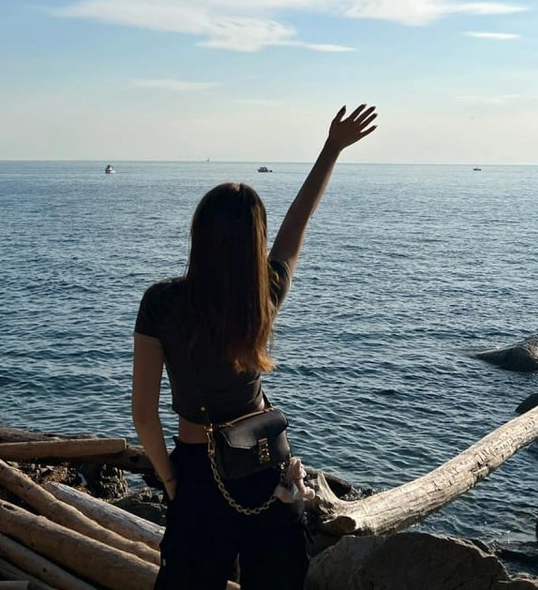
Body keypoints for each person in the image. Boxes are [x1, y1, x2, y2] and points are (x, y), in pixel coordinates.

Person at [132, 104, 378, 589]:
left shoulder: (161, 302)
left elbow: (143, 414)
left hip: (200, 471)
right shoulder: (264, 295)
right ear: (255, 240)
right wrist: (331, 149)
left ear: (198, 235)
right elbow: (298, 223)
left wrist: (171, 480)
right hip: (267, 465)